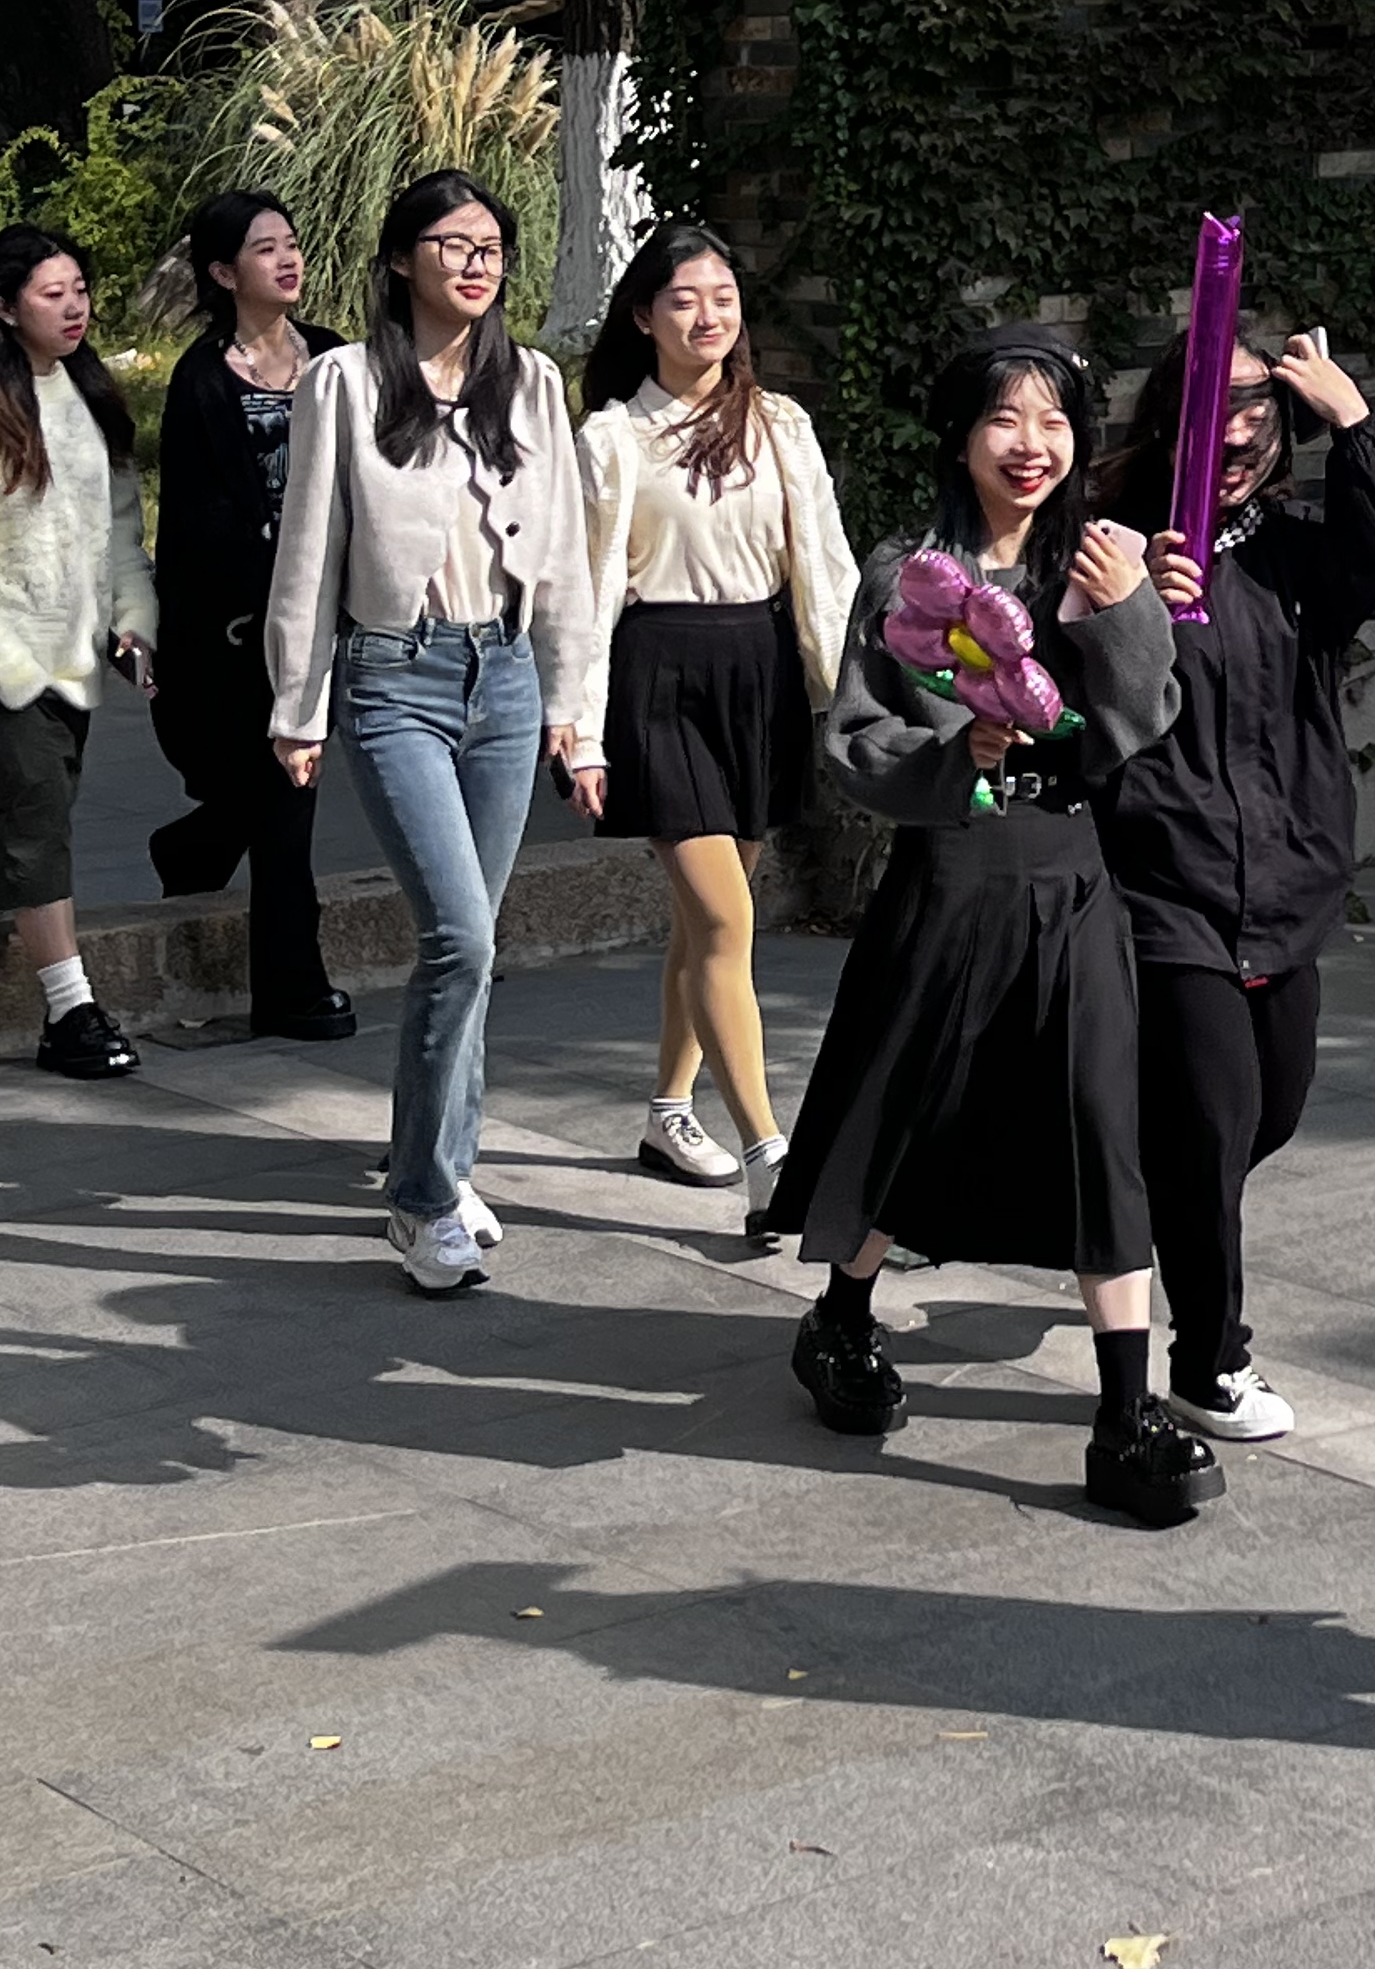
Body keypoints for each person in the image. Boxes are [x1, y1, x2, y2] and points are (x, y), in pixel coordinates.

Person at [762, 324, 1218, 1528]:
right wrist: (955, 752)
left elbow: (1143, 717)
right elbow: (858, 738)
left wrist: (1125, 615)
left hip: (1075, 879)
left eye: (1054, 420)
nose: (1032, 444)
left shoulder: (1102, 555)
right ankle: (840, 1318)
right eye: (1005, 419)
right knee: (915, 1111)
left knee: (1103, 1130)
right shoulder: (911, 573)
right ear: (961, 436)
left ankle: (1125, 1413)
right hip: (955, 875)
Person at [1088, 329, 1375, 1448]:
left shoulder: (1292, 557)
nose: (1236, 434)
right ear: (1165, 419)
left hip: (1285, 881)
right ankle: (1208, 1360)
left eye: (1258, 412)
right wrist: (1133, 603)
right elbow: (1068, 681)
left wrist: (1355, 421)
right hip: (1165, 884)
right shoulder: (1119, 547)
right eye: (1214, 408)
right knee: (1214, 1120)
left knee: (1264, 1113)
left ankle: (1133, 1200)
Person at [268, 170, 593, 1295]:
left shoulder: (532, 382)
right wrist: (298, 706)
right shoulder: (345, 382)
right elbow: (307, 551)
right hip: (390, 676)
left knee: (476, 939)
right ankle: (420, 1198)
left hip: (504, 674)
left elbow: (567, 558)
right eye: (453, 242)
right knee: (459, 935)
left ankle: (449, 1164)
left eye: (491, 245)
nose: (476, 261)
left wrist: (574, 711)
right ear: (402, 258)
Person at [571, 224, 858, 1204]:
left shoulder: (779, 423)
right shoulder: (613, 437)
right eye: (685, 297)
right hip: (659, 677)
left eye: (723, 295)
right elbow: (582, 594)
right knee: (730, 918)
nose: (708, 314)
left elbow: (826, 566)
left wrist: (853, 692)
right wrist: (579, 728)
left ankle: (667, 1109)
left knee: (705, 923)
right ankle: (770, 1156)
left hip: (759, 671)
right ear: (643, 315)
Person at [0, 226, 157, 1078]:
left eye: (80, 289)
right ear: (5, 309)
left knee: (34, 806)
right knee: (38, 805)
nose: (75, 307)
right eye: (52, 294)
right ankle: (70, 1009)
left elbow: (119, 528)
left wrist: (132, 620)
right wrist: (9, 665)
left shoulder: (87, 399)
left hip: (69, 660)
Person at [150, 191, 352, 1042]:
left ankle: (192, 850)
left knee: (273, 793)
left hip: (339, 610)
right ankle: (291, 986)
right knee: (284, 795)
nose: (287, 258)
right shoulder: (201, 378)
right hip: (246, 628)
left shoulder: (336, 357)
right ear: (224, 272)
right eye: (265, 248)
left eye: (291, 243)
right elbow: (190, 523)